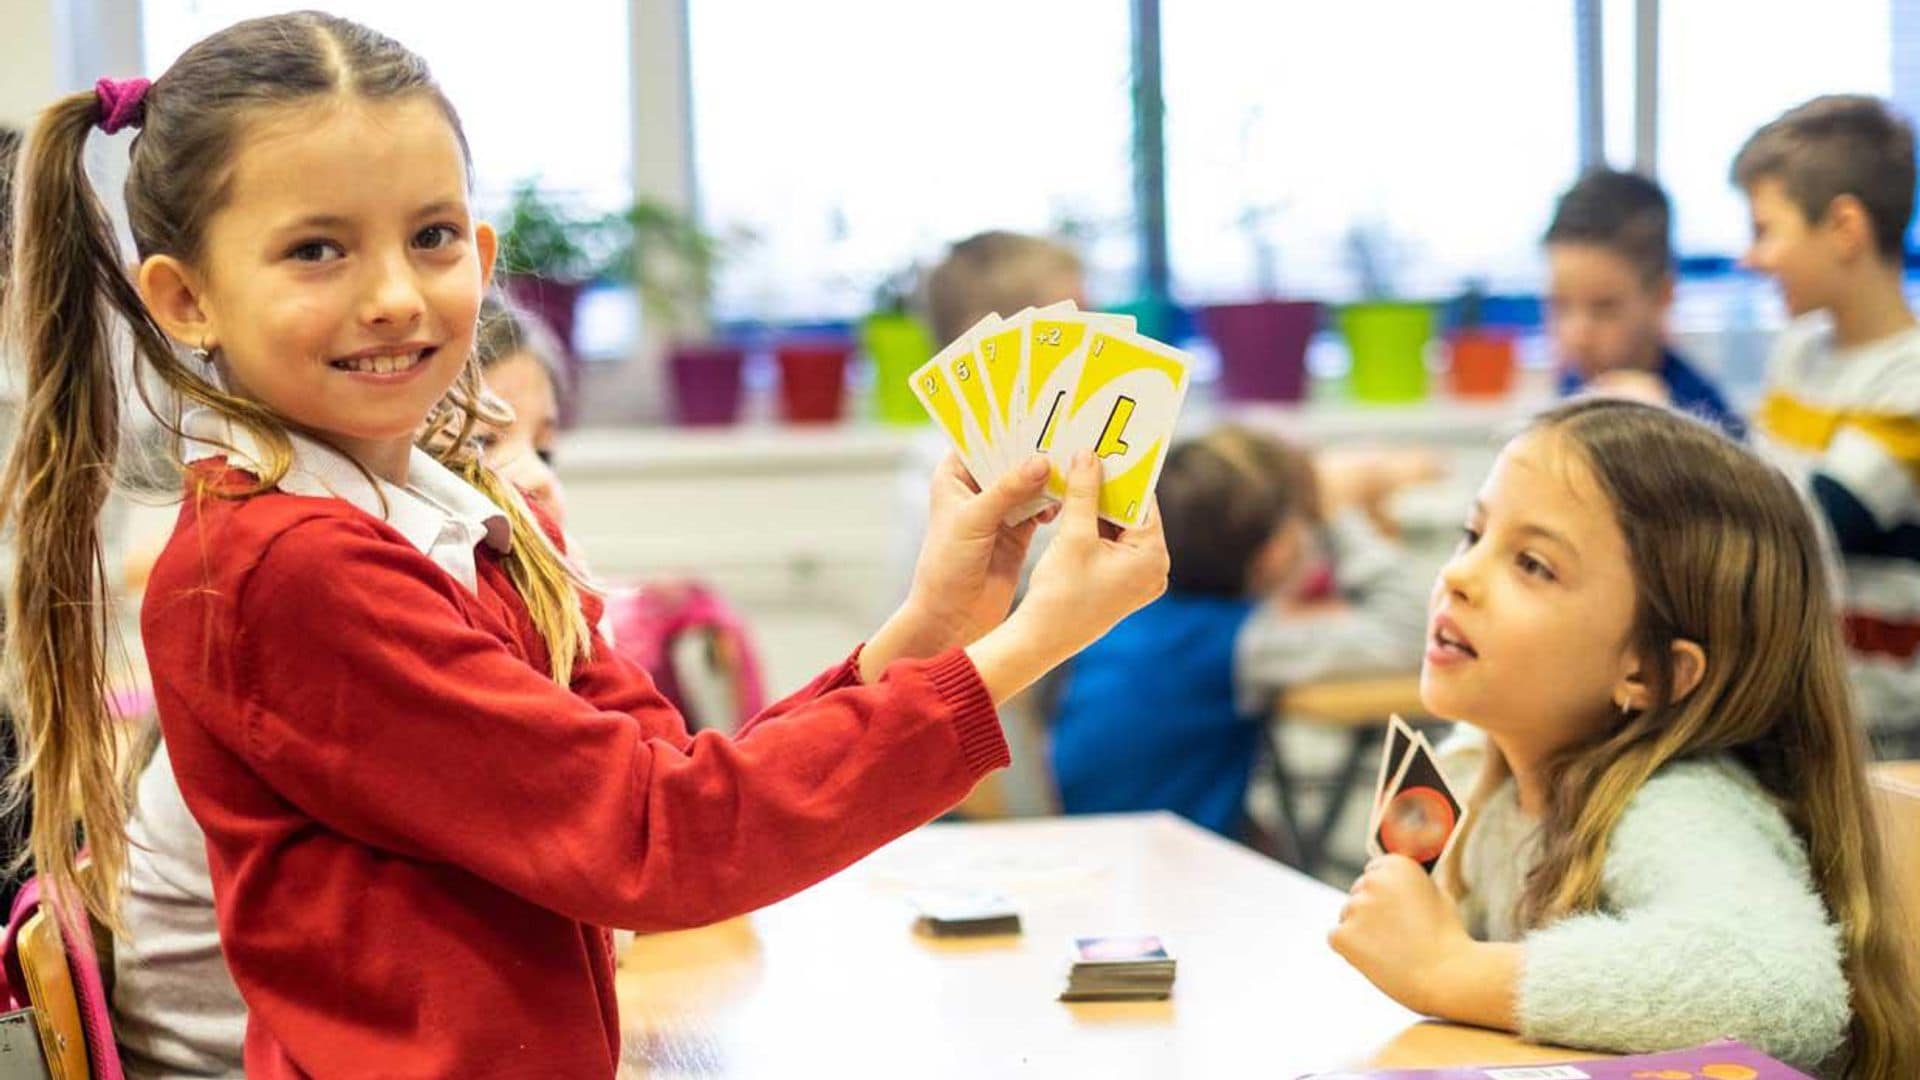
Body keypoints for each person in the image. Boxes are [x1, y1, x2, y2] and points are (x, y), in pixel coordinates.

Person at [3, 13, 1167, 1075]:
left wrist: (938, 624)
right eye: (318, 250)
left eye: (432, 236)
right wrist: (1024, 646)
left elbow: (663, 786)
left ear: (485, 247)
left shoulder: (459, 517)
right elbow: (664, 846)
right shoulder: (283, 570)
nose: (397, 294)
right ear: (185, 298)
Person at [1330, 399, 1918, 1076]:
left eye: (1533, 565)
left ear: (1652, 671)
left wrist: (1450, 968)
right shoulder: (1477, 774)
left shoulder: (1675, 805)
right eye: (1473, 535)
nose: (1458, 576)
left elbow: (1783, 985)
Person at [1736, 95, 1920, 747]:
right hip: (1793, 708)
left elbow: (1806, 528)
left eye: (1765, 230)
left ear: (1843, 227)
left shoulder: (1910, 381)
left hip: (1880, 736)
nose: (1749, 257)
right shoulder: (1797, 353)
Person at [1543, 167, 1743, 437]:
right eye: (1560, 305)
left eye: (1604, 308)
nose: (1578, 334)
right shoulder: (1576, 383)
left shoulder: (1706, 424)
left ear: (1662, 296)